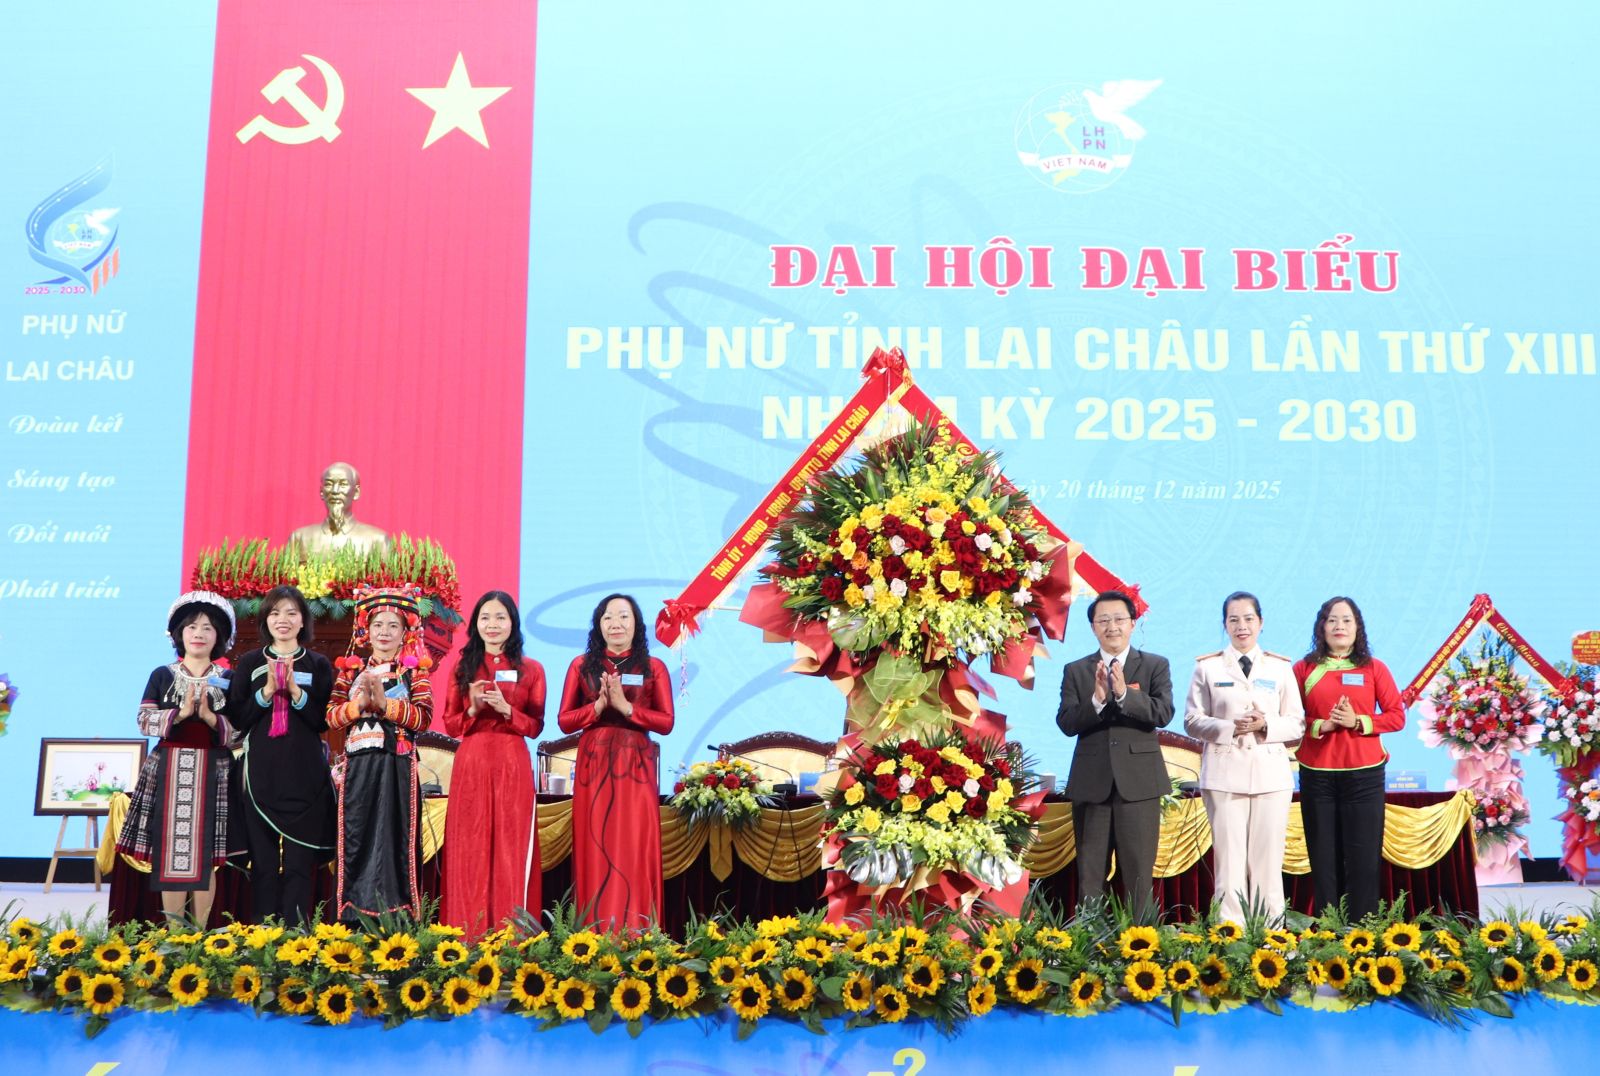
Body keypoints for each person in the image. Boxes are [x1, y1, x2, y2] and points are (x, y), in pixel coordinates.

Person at [117, 591, 239, 924]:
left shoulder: (228, 679)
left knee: (206, 856)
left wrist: (211, 718)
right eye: (192, 627)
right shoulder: (162, 675)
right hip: (168, 767)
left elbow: (240, 731)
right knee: (171, 851)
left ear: (219, 637)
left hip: (215, 769)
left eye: (207, 628)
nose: (199, 633)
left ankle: (199, 933)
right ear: (179, 634)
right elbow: (143, 720)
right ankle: (174, 935)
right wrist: (181, 713)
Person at [1184, 592, 1304, 923]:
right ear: (1225, 624)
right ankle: (1231, 935)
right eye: (1234, 619)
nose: (1242, 626)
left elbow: (1296, 723)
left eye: (1249, 618)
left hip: (1271, 776)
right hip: (1224, 775)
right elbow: (1192, 720)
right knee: (1229, 863)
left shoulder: (1279, 667)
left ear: (1261, 623)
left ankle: (1272, 936)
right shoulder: (1207, 667)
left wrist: (1265, 725)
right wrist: (1228, 727)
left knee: (1268, 863)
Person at [557, 594, 675, 930]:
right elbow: (564, 721)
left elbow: (666, 723)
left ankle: (638, 931)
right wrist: (596, 708)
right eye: (608, 617)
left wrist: (626, 708)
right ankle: (593, 931)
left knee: (633, 843)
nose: (616, 624)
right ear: (598, 624)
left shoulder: (653, 667)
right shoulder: (581, 665)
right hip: (594, 763)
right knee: (595, 843)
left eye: (624, 616)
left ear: (636, 624)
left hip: (635, 763)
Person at [1056, 589, 1175, 919]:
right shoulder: (1076, 670)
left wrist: (1123, 694)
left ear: (1132, 624)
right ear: (1093, 627)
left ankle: (1141, 940)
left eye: (1119, 619)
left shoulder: (1154, 665)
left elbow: (1163, 713)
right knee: (1090, 875)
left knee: (1138, 874)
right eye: (1103, 620)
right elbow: (1066, 723)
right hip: (1091, 785)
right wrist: (1096, 701)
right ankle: (1088, 940)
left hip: (1139, 785)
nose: (1112, 626)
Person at [1293, 596, 1406, 919]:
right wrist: (1322, 725)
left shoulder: (1374, 668)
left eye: (1346, 620)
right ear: (1321, 627)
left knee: (1364, 857)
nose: (1339, 626)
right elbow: (1289, 719)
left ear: (1358, 627)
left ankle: (1363, 930)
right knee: (1323, 857)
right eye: (1332, 620)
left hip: (1364, 776)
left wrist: (1358, 721)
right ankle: (1328, 928)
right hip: (1317, 774)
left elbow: (1397, 716)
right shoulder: (1303, 669)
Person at [228, 585, 336, 924]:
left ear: (303, 621)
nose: (283, 620)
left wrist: (294, 692)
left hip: (305, 777)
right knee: (262, 864)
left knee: (298, 866)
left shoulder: (318, 664)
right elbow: (238, 718)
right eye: (275, 613)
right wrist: (266, 692)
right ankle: (264, 934)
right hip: (261, 775)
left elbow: (323, 720)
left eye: (291, 613)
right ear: (266, 620)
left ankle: (296, 935)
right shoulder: (250, 662)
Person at [441, 590, 545, 938]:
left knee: (511, 848)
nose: (493, 624)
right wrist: (472, 709)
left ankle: (513, 938)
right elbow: (451, 725)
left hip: (512, 762)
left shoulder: (531, 670)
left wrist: (506, 710)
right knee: (469, 846)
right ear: (475, 625)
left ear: (513, 623)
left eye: (501, 617)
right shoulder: (463, 667)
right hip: (472, 763)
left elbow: (536, 726)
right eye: (485, 617)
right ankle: (466, 935)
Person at [327, 586, 433, 921]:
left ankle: (398, 915)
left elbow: (424, 719)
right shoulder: (350, 672)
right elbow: (331, 717)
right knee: (356, 836)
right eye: (377, 625)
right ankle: (353, 915)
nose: (384, 632)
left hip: (396, 765)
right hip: (358, 766)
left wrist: (386, 705)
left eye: (392, 626)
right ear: (366, 631)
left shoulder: (414, 672)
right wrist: (359, 705)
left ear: (405, 632)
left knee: (393, 839)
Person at [287, 461, 389, 554]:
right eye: (329, 484)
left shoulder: (377, 540)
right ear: (321, 491)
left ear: (356, 492)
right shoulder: (299, 538)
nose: (335, 491)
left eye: (343, 484)